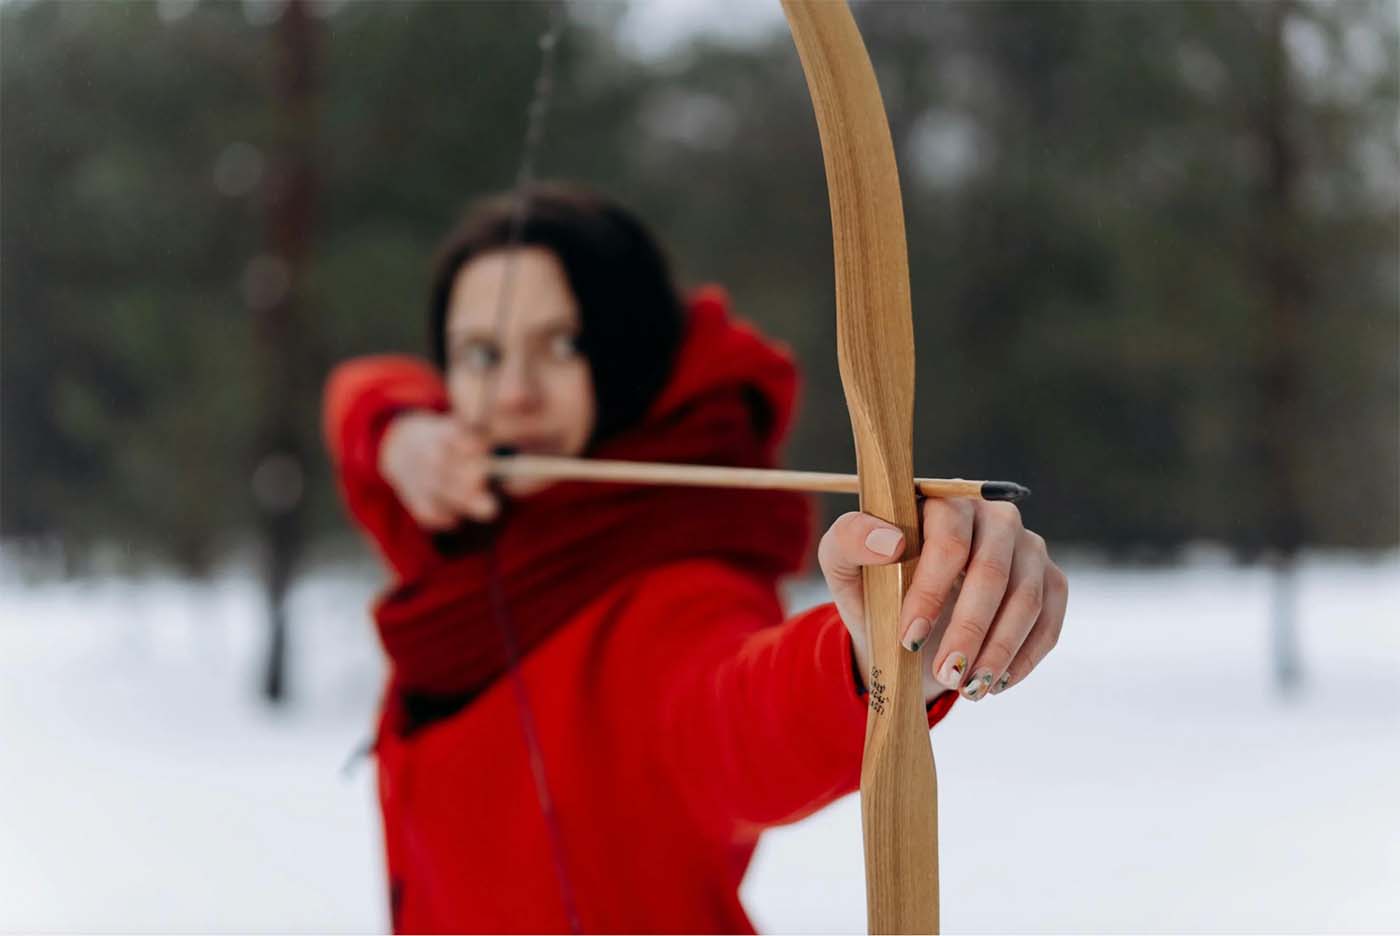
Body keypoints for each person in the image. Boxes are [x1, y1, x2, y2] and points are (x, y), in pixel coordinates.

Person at [323, 182, 1067, 933]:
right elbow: (354, 392)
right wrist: (396, 432)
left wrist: (872, 647)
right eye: (480, 354)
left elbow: (735, 716)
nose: (512, 394)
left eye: (563, 344)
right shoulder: (456, 521)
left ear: (629, 348)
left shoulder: (673, 580)